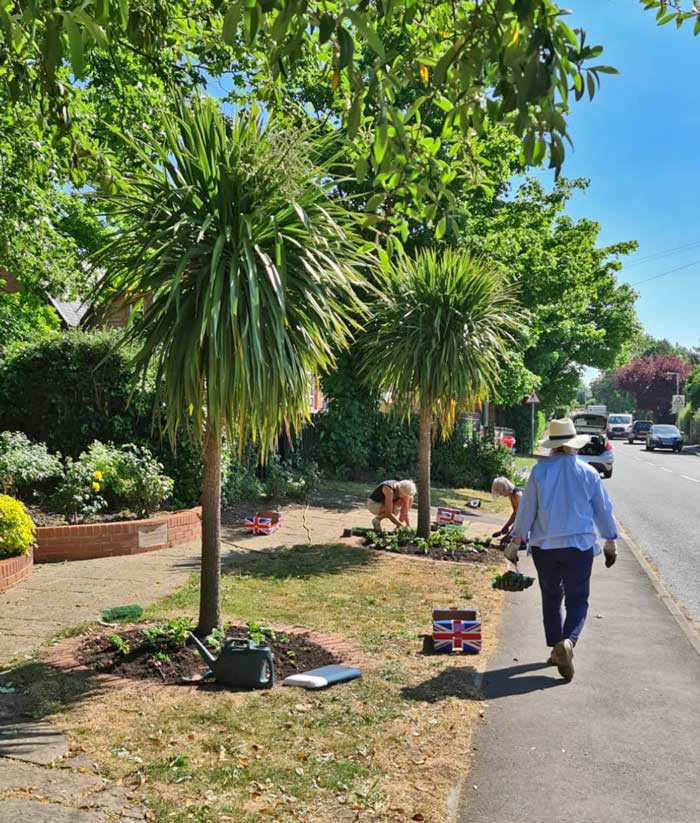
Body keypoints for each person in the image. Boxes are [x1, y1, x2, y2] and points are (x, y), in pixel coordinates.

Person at [505, 418, 618, 682]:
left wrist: (515, 541)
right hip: (579, 546)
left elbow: (527, 510)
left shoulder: (539, 471)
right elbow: (603, 509)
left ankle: (557, 646)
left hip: (545, 547)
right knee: (578, 599)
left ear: (552, 447)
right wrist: (610, 540)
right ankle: (568, 643)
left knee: (551, 597)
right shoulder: (588, 472)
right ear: (573, 444)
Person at [491, 476, 522, 543]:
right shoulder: (511, 495)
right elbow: (515, 513)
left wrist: (510, 534)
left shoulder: (517, 494)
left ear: (504, 488)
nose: (500, 494)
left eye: (500, 492)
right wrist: (505, 527)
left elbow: (521, 517)